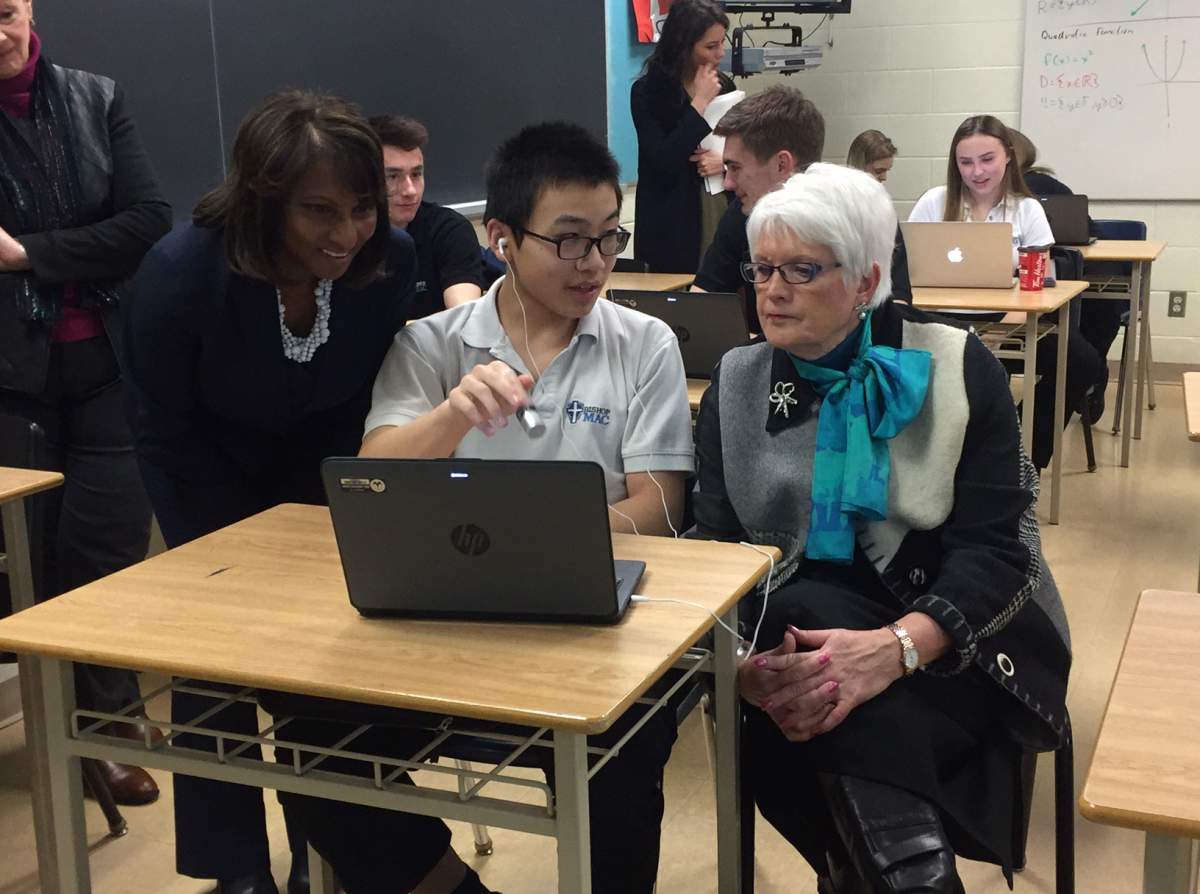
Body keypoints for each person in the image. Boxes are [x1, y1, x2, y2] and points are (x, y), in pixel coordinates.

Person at [266, 122, 696, 894]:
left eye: (607, 238)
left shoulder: (645, 343)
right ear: (501, 237)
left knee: (625, 750)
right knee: (311, 742)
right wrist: (453, 417)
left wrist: (545, 538)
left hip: (593, 631)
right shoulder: (433, 344)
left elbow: (659, 509)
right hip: (445, 627)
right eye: (567, 240)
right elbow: (374, 484)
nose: (593, 263)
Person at [694, 164, 1071, 892]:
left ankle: (864, 874)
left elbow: (998, 554)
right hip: (791, 663)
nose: (772, 290)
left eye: (803, 270)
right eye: (763, 267)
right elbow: (719, 551)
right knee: (800, 646)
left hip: (958, 647)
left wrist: (896, 649)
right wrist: (736, 665)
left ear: (867, 282)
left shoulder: (959, 365)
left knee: (805, 663)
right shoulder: (736, 384)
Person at [126, 91, 415, 894]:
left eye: (361, 208)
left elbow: (376, 397)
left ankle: (333, 852)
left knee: (327, 672)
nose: (344, 234)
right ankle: (237, 873)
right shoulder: (181, 275)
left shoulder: (384, 262)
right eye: (318, 211)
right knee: (216, 663)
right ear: (265, 199)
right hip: (207, 474)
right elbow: (160, 428)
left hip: (326, 472)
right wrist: (207, 561)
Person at [0, 0, 171, 804]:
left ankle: (104, 717)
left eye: (3, 12)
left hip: (105, 362)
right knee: (35, 559)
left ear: (29, 9)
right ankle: (80, 734)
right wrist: (75, 249)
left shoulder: (95, 97)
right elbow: (115, 231)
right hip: (9, 382)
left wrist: (23, 253)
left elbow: (146, 221)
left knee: (104, 551)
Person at [908, 114, 1101, 470]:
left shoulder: (1027, 210)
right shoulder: (934, 202)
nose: (977, 171)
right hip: (940, 323)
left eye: (987, 159)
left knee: (1083, 361)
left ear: (1008, 156)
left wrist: (999, 334)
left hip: (1008, 325)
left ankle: (1023, 456)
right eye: (965, 162)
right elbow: (906, 269)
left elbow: (1036, 289)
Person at [692, 87, 911, 332]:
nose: (729, 182)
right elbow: (701, 303)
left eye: (735, 168)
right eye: (763, 270)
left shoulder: (865, 213)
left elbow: (899, 316)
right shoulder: (740, 214)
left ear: (782, 164)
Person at [1009, 127, 1111, 422]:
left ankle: (1018, 444)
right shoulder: (953, 201)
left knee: (1079, 354)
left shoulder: (1036, 187)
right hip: (998, 309)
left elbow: (1088, 229)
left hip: (1034, 301)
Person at [631, 0, 735, 273]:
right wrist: (699, 103)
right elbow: (663, 162)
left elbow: (745, 149)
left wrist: (725, 162)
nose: (720, 53)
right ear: (683, 46)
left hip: (718, 206)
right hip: (673, 224)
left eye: (722, 43)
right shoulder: (648, 93)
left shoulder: (725, 86)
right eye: (711, 47)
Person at [368, 114, 484, 318]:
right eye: (392, 176)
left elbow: (464, 320)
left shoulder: (449, 229)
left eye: (416, 174)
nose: (410, 190)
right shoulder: (347, 239)